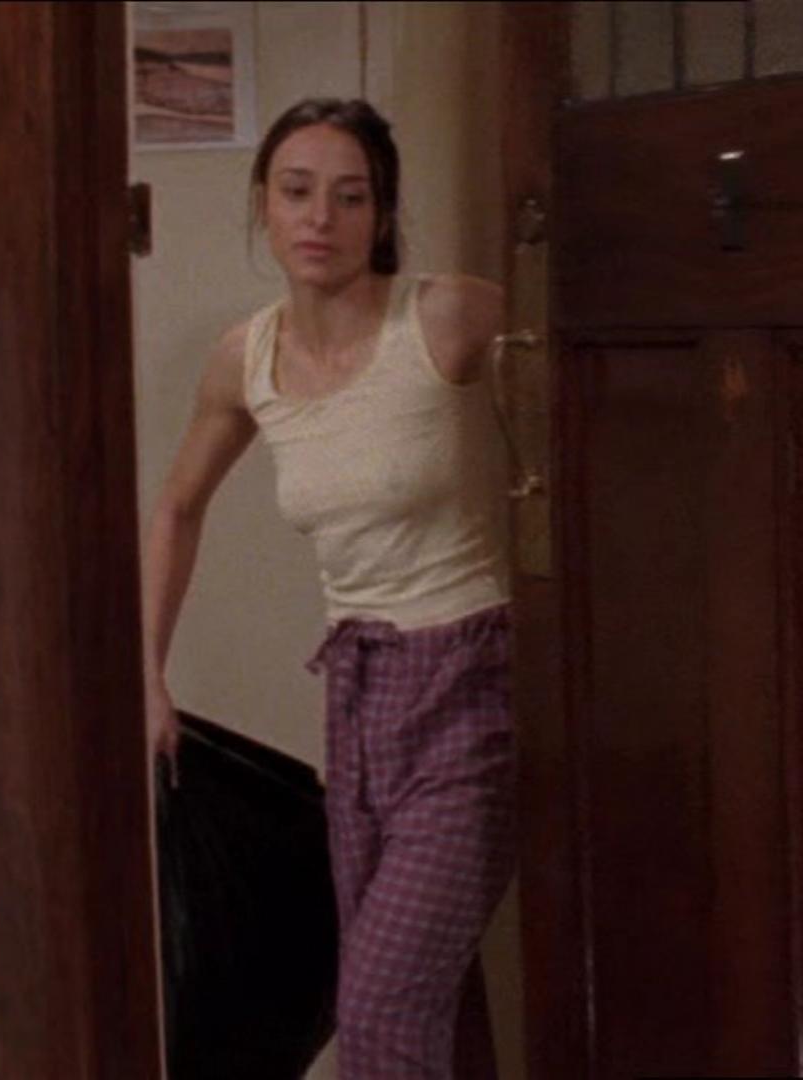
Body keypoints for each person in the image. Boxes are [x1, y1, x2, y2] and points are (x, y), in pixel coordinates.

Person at [141, 97, 516, 1078]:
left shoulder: (443, 316)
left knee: (382, 1004)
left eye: (350, 197)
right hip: (356, 696)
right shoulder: (247, 358)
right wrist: (148, 674)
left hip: (472, 684)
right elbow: (176, 507)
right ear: (262, 204)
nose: (321, 218)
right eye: (297, 191)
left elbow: (590, 347)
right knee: (422, 998)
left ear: (381, 214)